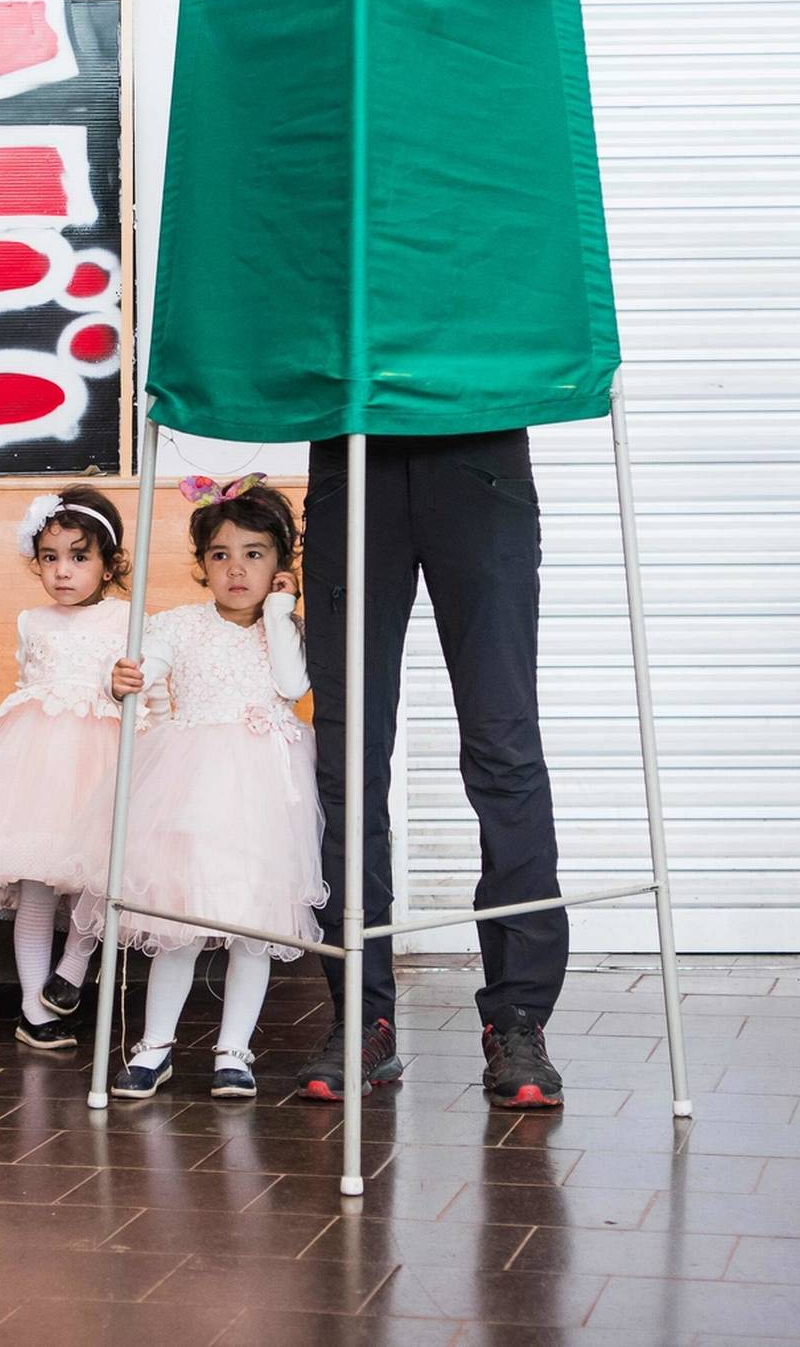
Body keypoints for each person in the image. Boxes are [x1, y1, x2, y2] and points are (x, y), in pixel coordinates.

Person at [300, 431, 568, 1111]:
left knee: (504, 746)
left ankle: (518, 1019)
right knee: (348, 756)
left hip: (479, 439)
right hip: (354, 448)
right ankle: (363, 1016)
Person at [70, 477, 324, 1103]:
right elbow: (143, 667)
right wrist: (122, 678)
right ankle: (155, 1046)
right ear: (202, 564)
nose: (237, 570)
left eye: (255, 554)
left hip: (266, 787)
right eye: (221, 555)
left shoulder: (284, 627)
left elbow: (291, 688)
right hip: (193, 783)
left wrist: (277, 614)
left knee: (255, 924)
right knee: (178, 921)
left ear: (280, 564)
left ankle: (233, 1050)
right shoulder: (179, 624)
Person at [0, 487, 129, 1049]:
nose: (63, 572)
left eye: (80, 558)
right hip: (36, 768)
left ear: (110, 566)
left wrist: (118, 691)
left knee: (105, 875)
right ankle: (35, 1008)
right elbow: (27, 686)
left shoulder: (128, 619)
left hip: (102, 764)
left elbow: (144, 697)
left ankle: (74, 968)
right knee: (36, 884)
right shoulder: (31, 621)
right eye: (50, 558)